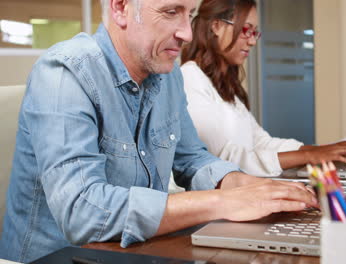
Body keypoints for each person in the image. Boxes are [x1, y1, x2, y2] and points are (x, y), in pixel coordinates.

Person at [0, 0, 317, 262]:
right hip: (59, 257)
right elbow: (82, 212)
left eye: (190, 15)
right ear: (121, 7)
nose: (187, 34)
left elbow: (192, 159)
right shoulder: (64, 73)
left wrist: (243, 184)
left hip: (134, 252)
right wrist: (224, 201)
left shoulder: (168, 76)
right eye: (171, 12)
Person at [181, 0, 346, 177]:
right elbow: (222, 160)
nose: (253, 41)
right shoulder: (190, 78)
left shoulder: (224, 85)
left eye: (255, 32)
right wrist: (311, 156)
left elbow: (261, 142)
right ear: (217, 26)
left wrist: (321, 150)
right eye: (246, 30)